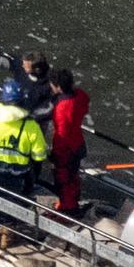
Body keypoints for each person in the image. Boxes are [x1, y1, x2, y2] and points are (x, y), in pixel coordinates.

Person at [0, 77, 50, 248]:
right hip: (15, 176)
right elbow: (39, 155)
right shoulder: (30, 126)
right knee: (14, 200)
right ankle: (8, 233)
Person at [50, 67, 90, 215]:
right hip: (78, 142)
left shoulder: (61, 108)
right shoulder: (80, 95)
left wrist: (55, 154)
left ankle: (67, 209)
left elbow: (62, 135)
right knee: (73, 176)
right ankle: (72, 201)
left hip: (66, 149)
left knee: (63, 178)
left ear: (58, 87)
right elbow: (84, 106)